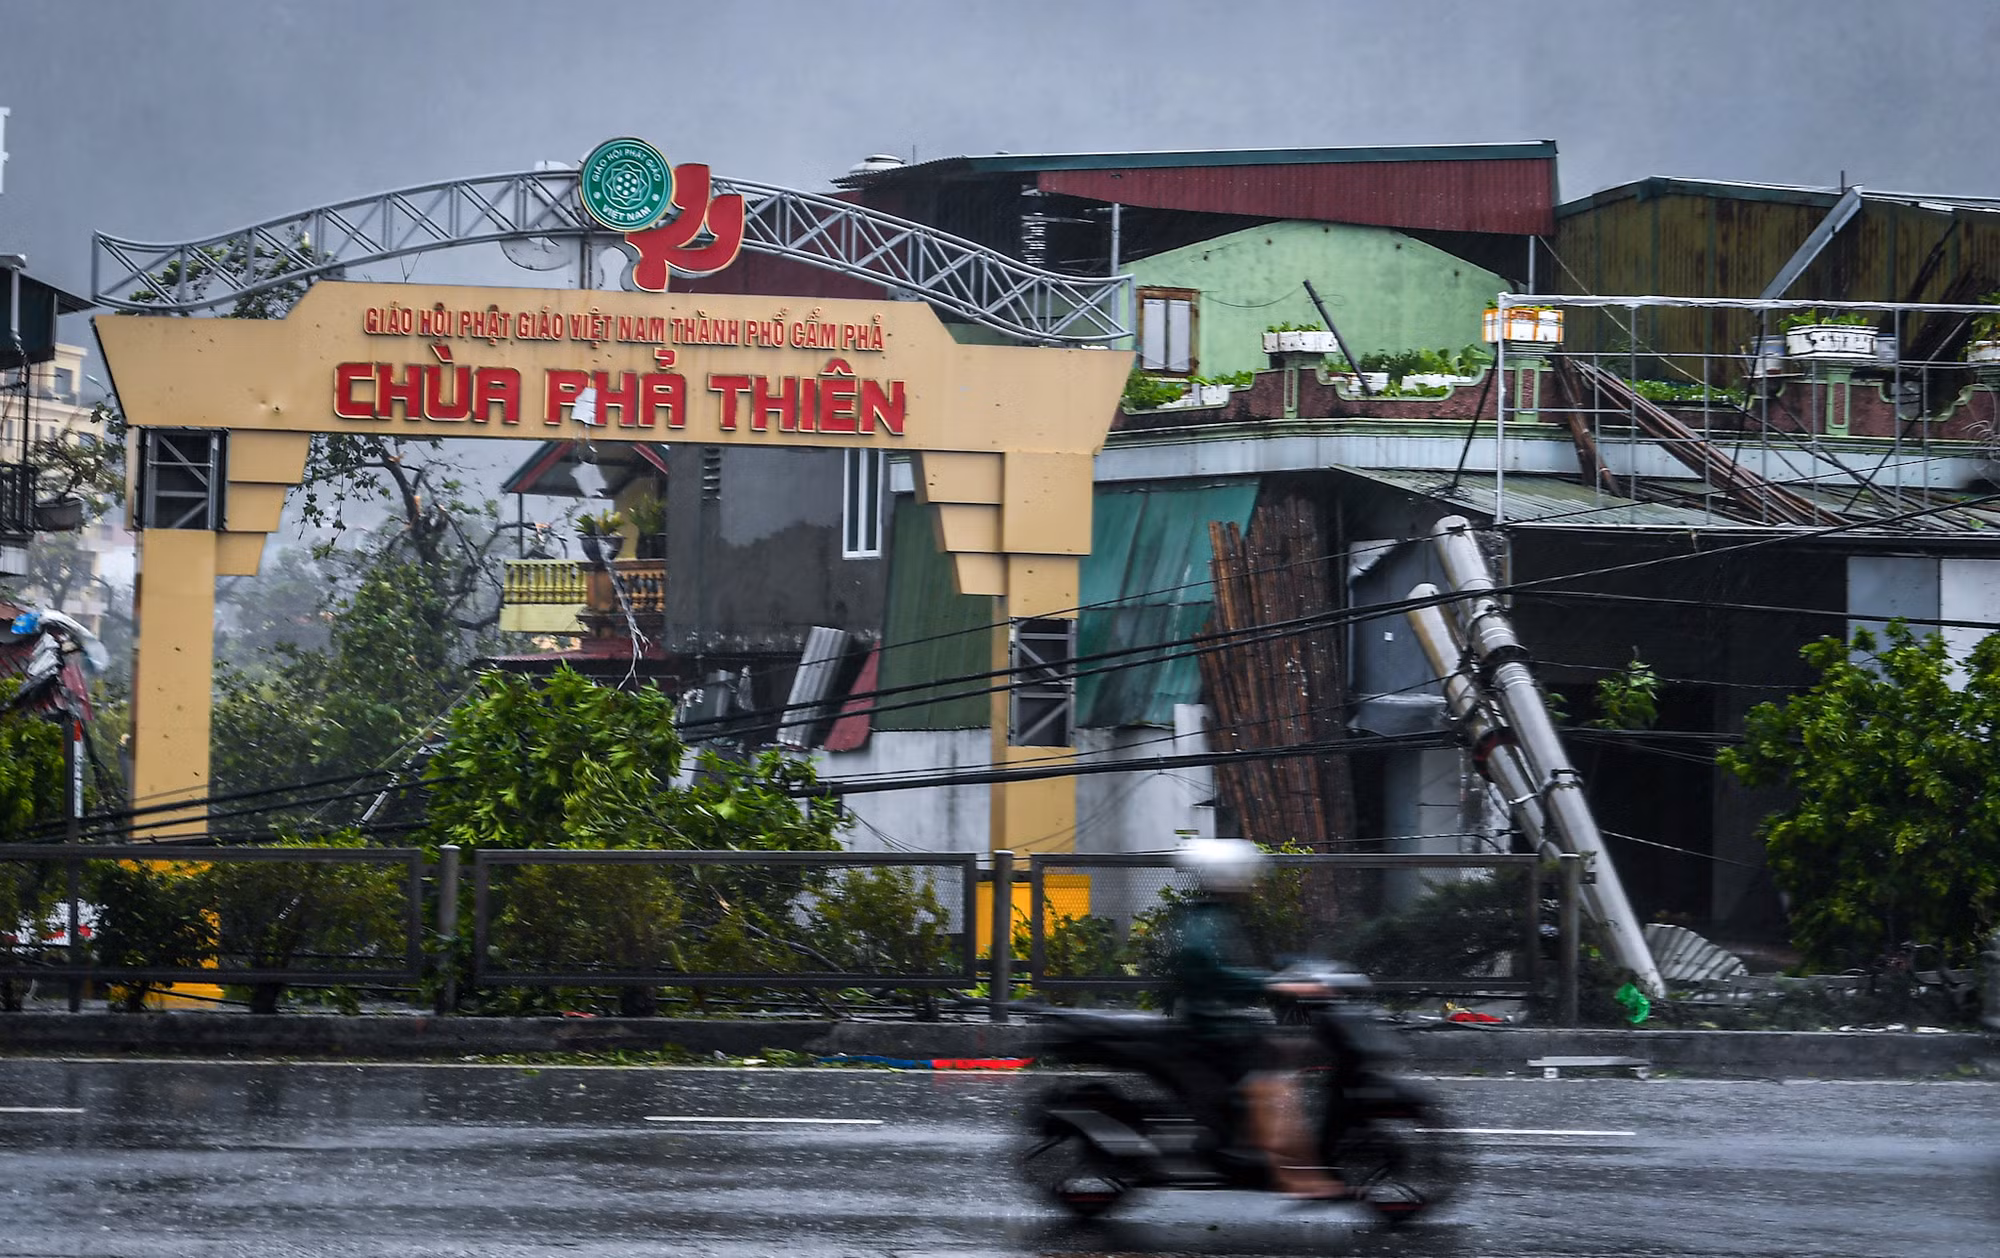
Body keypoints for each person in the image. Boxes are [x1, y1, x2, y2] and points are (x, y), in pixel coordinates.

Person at [1170, 838, 1347, 1200]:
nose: (1251, 883)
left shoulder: (1212, 913)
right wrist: (1274, 983)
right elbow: (1215, 973)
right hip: (1214, 1027)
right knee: (1273, 1083)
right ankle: (1293, 1175)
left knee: (1286, 1056)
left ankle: (1256, 1143)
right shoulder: (1207, 921)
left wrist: (1286, 973)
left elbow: (1229, 970)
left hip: (1220, 1020)